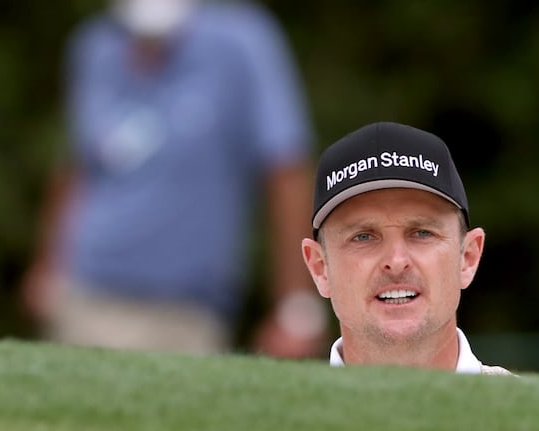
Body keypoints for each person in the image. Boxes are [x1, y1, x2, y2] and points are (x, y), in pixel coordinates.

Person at [22, 0, 326, 359]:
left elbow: (285, 169)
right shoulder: (94, 46)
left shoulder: (241, 41)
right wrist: (49, 264)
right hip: (88, 294)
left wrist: (295, 303)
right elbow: (78, 167)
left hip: (188, 312)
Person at [301, 121, 512, 374]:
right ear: (320, 267)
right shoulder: (269, 414)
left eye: (422, 233)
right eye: (363, 237)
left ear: (467, 257)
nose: (397, 260)